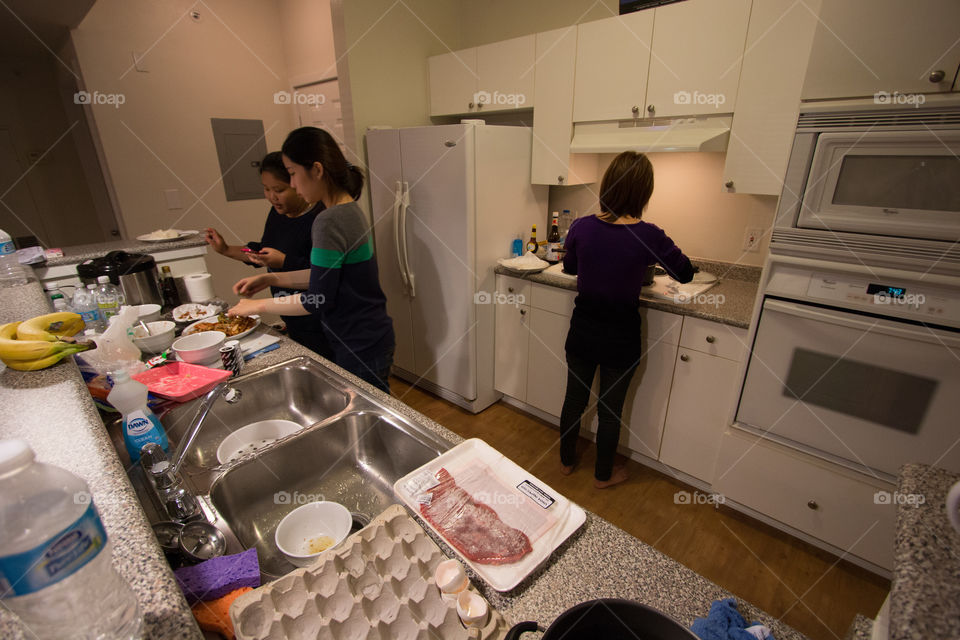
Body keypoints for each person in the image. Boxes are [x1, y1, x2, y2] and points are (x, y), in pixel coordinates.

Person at [559, 151, 694, 489]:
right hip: (621, 338)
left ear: (607, 186)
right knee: (610, 409)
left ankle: (565, 461)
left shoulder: (582, 226)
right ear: (643, 193)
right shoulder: (649, 235)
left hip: (583, 331)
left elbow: (571, 267)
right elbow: (685, 273)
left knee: (574, 399)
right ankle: (604, 475)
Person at [227, 127, 395, 394]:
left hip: (357, 340)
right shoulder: (347, 209)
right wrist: (271, 277)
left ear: (316, 170)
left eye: (293, 173)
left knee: (372, 422)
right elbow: (324, 276)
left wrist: (257, 306)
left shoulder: (328, 220)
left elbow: (317, 298)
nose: (292, 184)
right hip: (369, 335)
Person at [204, 152, 332, 359]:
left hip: (319, 321)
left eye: (279, 190)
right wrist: (226, 249)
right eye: (266, 189)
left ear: (296, 184)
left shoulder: (320, 219)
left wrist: (283, 261)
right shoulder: (277, 214)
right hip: (290, 316)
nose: (272, 197)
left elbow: (324, 274)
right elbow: (261, 252)